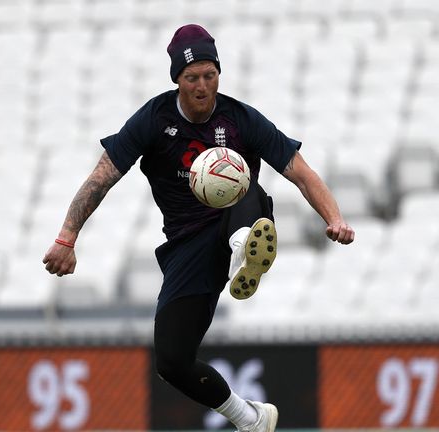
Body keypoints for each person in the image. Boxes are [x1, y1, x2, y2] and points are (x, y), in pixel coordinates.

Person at [43, 24, 355, 432]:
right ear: (177, 79)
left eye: (210, 75)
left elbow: (300, 171)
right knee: (171, 360)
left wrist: (334, 217)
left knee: (237, 177)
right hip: (189, 245)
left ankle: (245, 247)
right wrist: (67, 237)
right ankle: (252, 417)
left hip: (240, 214)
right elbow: (102, 177)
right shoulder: (153, 119)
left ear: (219, 75)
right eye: (192, 78)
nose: (203, 86)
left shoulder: (240, 119)